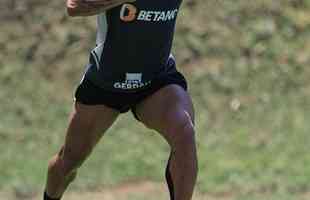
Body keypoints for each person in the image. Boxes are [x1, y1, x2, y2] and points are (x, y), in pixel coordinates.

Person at [43, 0, 198, 199]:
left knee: (184, 130)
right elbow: (74, 6)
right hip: (106, 82)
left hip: (155, 80)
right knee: (68, 163)